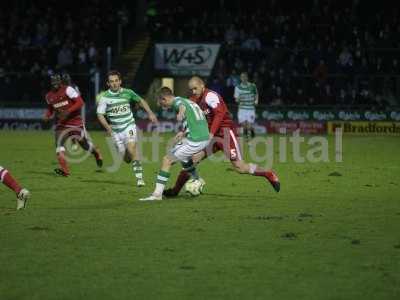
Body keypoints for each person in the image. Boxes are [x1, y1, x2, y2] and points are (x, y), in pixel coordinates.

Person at [163, 76, 280, 197]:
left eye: (195, 88)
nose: (193, 92)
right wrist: (184, 131)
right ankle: (175, 191)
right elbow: (191, 119)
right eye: (191, 89)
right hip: (208, 136)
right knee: (191, 160)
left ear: (202, 86)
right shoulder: (192, 100)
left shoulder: (210, 96)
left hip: (225, 133)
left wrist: (211, 133)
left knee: (239, 167)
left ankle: (268, 173)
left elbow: (220, 114)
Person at [139, 87, 210, 201]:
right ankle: (197, 179)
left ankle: (157, 195)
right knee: (185, 160)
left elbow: (181, 106)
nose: (161, 105)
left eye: (160, 102)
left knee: (167, 160)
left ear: (165, 98)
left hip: (195, 139)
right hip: (202, 136)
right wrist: (184, 131)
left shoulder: (177, 102)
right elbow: (194, 116)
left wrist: (181, 113)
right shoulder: (186, 100)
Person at [97, 70, 158, 187]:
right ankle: (131, 155)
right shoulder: (104, 97)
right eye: (111, 81)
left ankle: (140, 179)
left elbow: (141, 101)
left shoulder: (128, 92)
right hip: (115, 131)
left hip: (128, 126)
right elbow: (100, 114)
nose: (114, 83)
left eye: (116, 81)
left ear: (120, 81)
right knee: (127, 159)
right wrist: (108, 128)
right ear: (108, 84)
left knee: (131, 148)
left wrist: (150, 113)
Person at [43, 74, 103, 176]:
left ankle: (96, 152)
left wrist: (68, 111)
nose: (55, 85)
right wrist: (47, 115)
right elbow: (50, 108)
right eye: (53, 83)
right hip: (61, 124)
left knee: (83, 144)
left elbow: (80, 102)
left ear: (60, 82)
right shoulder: (48, 96)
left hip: (75, 122)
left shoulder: (68, 90)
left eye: (57, 83)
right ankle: (65, 171)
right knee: (59, 146)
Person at [234, 72, 258, 140]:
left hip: (250, 108)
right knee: (244, 125)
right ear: (241, 78)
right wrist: (238, 99)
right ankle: (246, 136)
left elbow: (256, 94)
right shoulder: (238, 87)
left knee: (249, 126)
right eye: (242, 77)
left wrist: (256, 100)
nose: (244, 78)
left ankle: (251, 133)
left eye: (245, 77)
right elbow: (236, 99)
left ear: (247, 78)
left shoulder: (253, 86)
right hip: (242, 109)